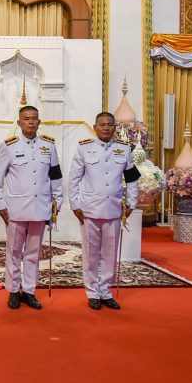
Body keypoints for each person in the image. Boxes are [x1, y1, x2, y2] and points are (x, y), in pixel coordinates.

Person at [0, 105, 63, 310]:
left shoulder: (48, 146)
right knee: (14, 252)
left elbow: (56, 177)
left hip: (40, 207)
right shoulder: (9, 146)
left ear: (39, 122)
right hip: (15, 208)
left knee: (34, 252)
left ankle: (30, 291)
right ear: (19, 123)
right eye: (26, 119)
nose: (31, 122)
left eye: (34, 119)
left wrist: (56, 203)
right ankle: (13, 291)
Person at [69, 112, 140, 311]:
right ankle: (92, 292)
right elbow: (74, 179)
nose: (106, 128)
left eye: (110, 125)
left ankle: (105, 291)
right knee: (91, 254)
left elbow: (132, 179)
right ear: (95, 127)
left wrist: (131, 202)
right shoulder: (84, 149)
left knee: (110, 253)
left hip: (114, 210)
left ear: (115, 127)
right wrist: (75, 204)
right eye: (102, 125)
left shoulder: (124, 150)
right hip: (89, 210)